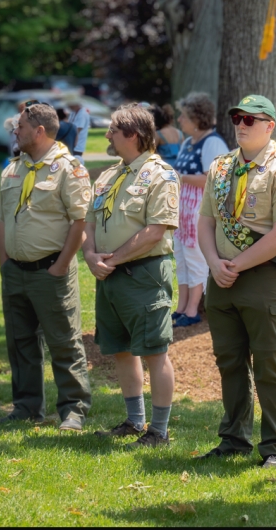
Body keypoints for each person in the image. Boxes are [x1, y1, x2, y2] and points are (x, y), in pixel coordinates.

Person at [197, 94, 276, 468]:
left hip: (264, 277)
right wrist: (214, 263)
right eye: (237, 119)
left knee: (267, 362)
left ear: (269, 126)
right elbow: (205, 222)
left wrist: (234, 265)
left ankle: (275, 446)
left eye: (250, 119)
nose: (241, 125)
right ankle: (233, 439)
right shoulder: (220, 167)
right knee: (229, 360)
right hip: (221, 276)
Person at [83, 104, 179, 448]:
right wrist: (90, 255)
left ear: (133, 135)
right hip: (109, 276)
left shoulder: (161, 175)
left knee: (154, 352)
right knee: (121, 350)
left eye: (112, 130)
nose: (107, 135)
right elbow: (89, 222)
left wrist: (113, 260)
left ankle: (159, 431)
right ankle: (134, 421)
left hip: (143, 275)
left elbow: (156, 231)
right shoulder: (108, 175)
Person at [0, 102, 92, 430]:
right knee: (20, 342)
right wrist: (5, 263)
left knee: (64, 342)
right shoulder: (13, 169)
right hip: (15, 271)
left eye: (20, 126)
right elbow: (3, 219)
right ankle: (26, 406)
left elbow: (80, 222)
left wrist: (61, 266)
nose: (15, 131)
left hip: (51, 272)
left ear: (38, 131)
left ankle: (74, 410)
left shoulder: (68, 169)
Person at [172, 93, 228, 328]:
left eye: (184, 116)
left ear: (197, 119)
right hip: (182, 209)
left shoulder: (212, 143)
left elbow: (212, 179)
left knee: (195, 258)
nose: (180, 120)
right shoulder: (188, 142)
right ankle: (181, 306)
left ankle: (193, 309)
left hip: (199, 209)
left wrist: (180, 177)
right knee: (182, 258)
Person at [149, 103, 184, 170]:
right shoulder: (180, 133)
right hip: (179, 168)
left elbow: (150, 153)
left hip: (164, 169)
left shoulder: (158, 134)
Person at [67, 97, 90, 164]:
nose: (68, 106)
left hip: (77, 146)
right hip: (71, 144)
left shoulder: (82, 114)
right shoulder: (73, 112)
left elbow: (77, 130)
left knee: (74, 164)